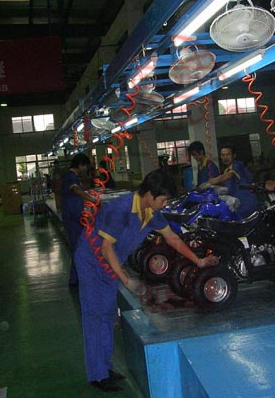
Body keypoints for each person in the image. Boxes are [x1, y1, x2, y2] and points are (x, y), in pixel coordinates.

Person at [74, 170, 218, 392]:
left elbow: (172, 238)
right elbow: (105, 247)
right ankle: (97, 375)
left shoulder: (152, 213)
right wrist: (126, 279)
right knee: (95, 315)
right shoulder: (120, 208)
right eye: (163, 199)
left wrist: (198, 261)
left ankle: (105, 367)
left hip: (111, 263)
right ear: (150, 194)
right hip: (92, 261)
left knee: (108, 314)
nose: (165, 203)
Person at [60, 153, 95, 286]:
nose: (85, 169)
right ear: (80, 165)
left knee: (79, 247)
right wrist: (93, 199)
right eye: (85, 166)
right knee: (78, 248)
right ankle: (76, 278)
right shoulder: (71, 177)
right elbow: (77, 191)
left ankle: (77, 277)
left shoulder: (71, 176)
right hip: (73, 219)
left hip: (74, 216)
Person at [205, 144, 258, 218]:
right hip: (238, 206)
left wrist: (208, 183)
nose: (225, 157)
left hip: (247, 205)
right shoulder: (226, 170)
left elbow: (228, 175)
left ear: (234, 155)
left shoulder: (238, 165)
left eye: (228, 154)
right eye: (223, 155)